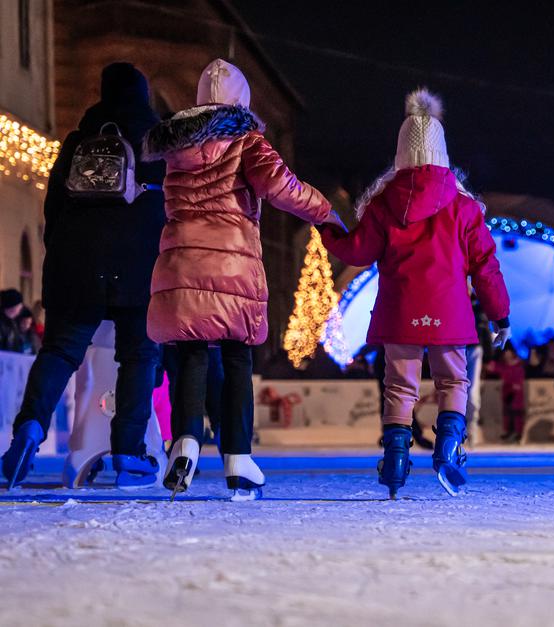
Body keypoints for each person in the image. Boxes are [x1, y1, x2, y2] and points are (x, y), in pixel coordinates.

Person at [143, 59, 333, 500]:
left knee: (190, 357)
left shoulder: (177, 148)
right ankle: (237, 459)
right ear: (242, 102)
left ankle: (185, 443)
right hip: (232, 264)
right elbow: (282, 187)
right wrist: (326, 212)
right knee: (236, 360)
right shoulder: (247, 140)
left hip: (181, 263)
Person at [319, 88, 511, 498]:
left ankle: (395, 461)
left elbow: (357, 250)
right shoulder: (464, 209)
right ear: (443, 152)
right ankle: (448, 448)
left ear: (400, 152)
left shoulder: (383, 203)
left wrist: (327, 227)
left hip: (399, 312)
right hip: (451, 313)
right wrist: (500, 314)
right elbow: (485, 266)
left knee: (400, 387)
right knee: (452, 382)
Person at [2, 64, 165, 489]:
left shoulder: (78, 141)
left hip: (77, 266)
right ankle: (129, 454)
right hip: (139, 269)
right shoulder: (157, 141)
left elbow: (51, 210)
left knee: (59, 351)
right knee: (139, 355)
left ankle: (30, 428)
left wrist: (62, 252)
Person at [465, 291, 493, 447]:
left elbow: (484, 331)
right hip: (456, 347)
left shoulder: (478, 309)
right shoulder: (453, 300)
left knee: (471, 390)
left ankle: (471, 430)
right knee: (456, 389)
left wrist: (489, 357)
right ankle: (458, 431)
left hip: (473, 347)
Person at [488, 343, 526, 443]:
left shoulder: (518, 366)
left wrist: (515, 386)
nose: (506, 356)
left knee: (516, 413)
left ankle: (517, 434)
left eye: (508, 353)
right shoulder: (503, 366)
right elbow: (491, 368)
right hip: (506, 393)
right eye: (505, 354)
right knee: (508, 414)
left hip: (516, 395)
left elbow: (519, 379)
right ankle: (510, 432)